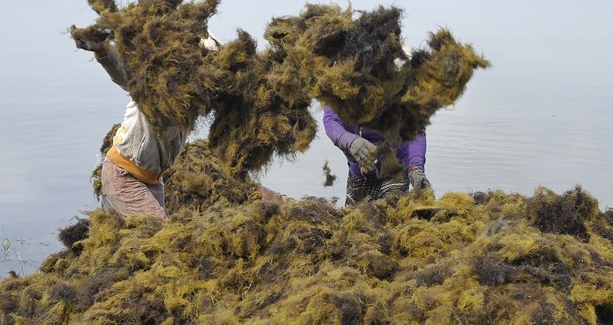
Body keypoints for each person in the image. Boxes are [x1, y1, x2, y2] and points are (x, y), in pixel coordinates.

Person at [74, 34, 286, 219]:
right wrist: (101, 49)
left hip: (153, 180)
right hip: (124, 175)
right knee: (157, 233)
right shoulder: (155, 85)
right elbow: (121, 71)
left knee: (140, 235)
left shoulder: (196, 97)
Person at [322, 106, 431, 206]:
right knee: (352, 219)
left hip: (395, 172)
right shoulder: (340, 92)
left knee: (392, 217)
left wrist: (415, 167)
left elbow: (416, 127)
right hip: (358, 174)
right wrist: (349, 141)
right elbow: (331, 119)